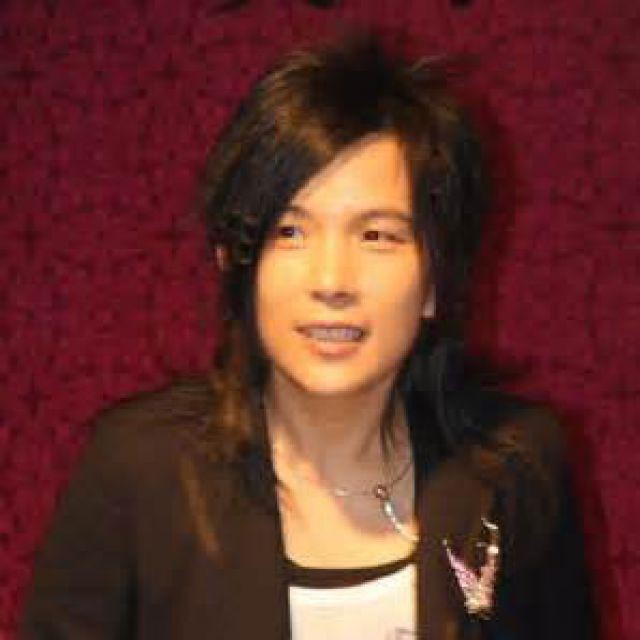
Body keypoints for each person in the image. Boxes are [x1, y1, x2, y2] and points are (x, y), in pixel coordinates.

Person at [20, 33, 595, 639]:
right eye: (290, 232)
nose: (331, 281)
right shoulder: (138, 469)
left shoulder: (516, 468)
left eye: (377, 235)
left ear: (435, 280)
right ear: (237, 262)